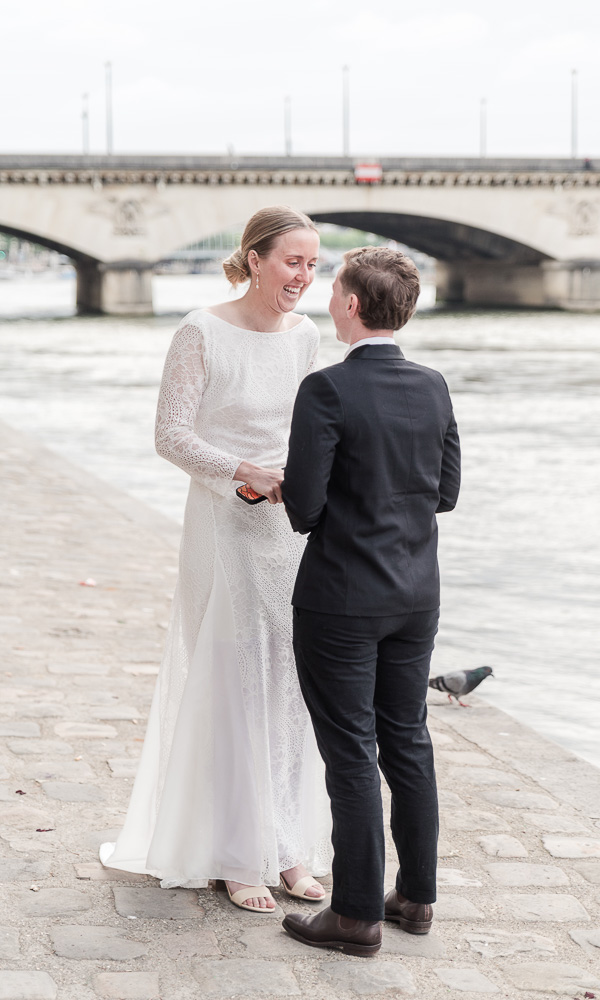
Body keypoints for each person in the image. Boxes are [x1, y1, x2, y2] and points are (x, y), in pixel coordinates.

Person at [100, 206, 332, 913]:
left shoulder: (306, 336)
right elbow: (169, 436)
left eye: (313, 265)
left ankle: (287, 844)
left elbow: (311, 432)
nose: (302, 276)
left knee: (290, 685)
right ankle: (236, 853)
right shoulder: (200, 330)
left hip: (288, 531)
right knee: (235, 680)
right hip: (223, 524)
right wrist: (241, 472)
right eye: (292, 261)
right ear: (255, 259)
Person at [280, 246, 461, 955]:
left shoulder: (326, 390)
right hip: (416, 594)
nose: (326, 297)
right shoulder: (433, 386)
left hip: (340, 600)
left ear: (352, 305)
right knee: (408, 739)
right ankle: (414, 899)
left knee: (351, 752)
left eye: (334, 289)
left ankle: (355, 914)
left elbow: (303, 506)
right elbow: (444, 492)